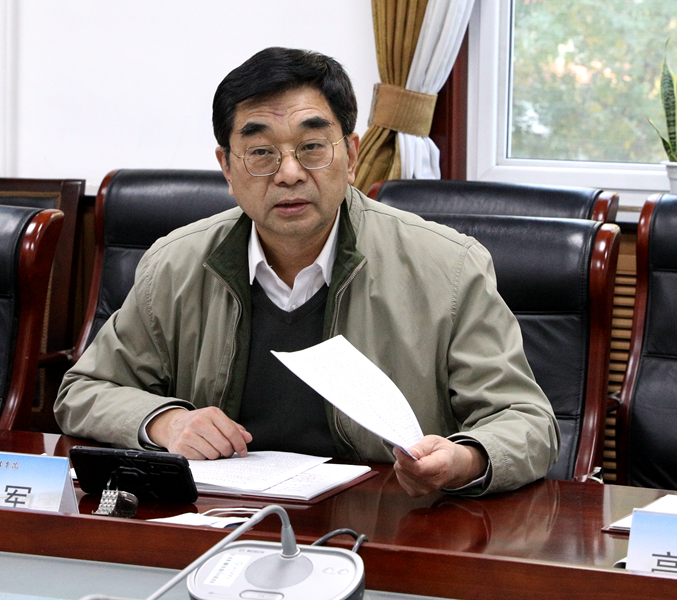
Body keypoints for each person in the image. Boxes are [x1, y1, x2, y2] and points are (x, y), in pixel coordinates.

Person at [55, 47, 560, 497]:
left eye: (312, 147)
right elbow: (84, 390)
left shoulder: (447, 266)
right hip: (219, 518)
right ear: (227, 168)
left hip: (387, 520)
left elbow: (526, 422)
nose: (290, 173)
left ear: (352, 154)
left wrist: (463, 459)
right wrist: (165, 422)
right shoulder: (176, 263)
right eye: (261, 153)